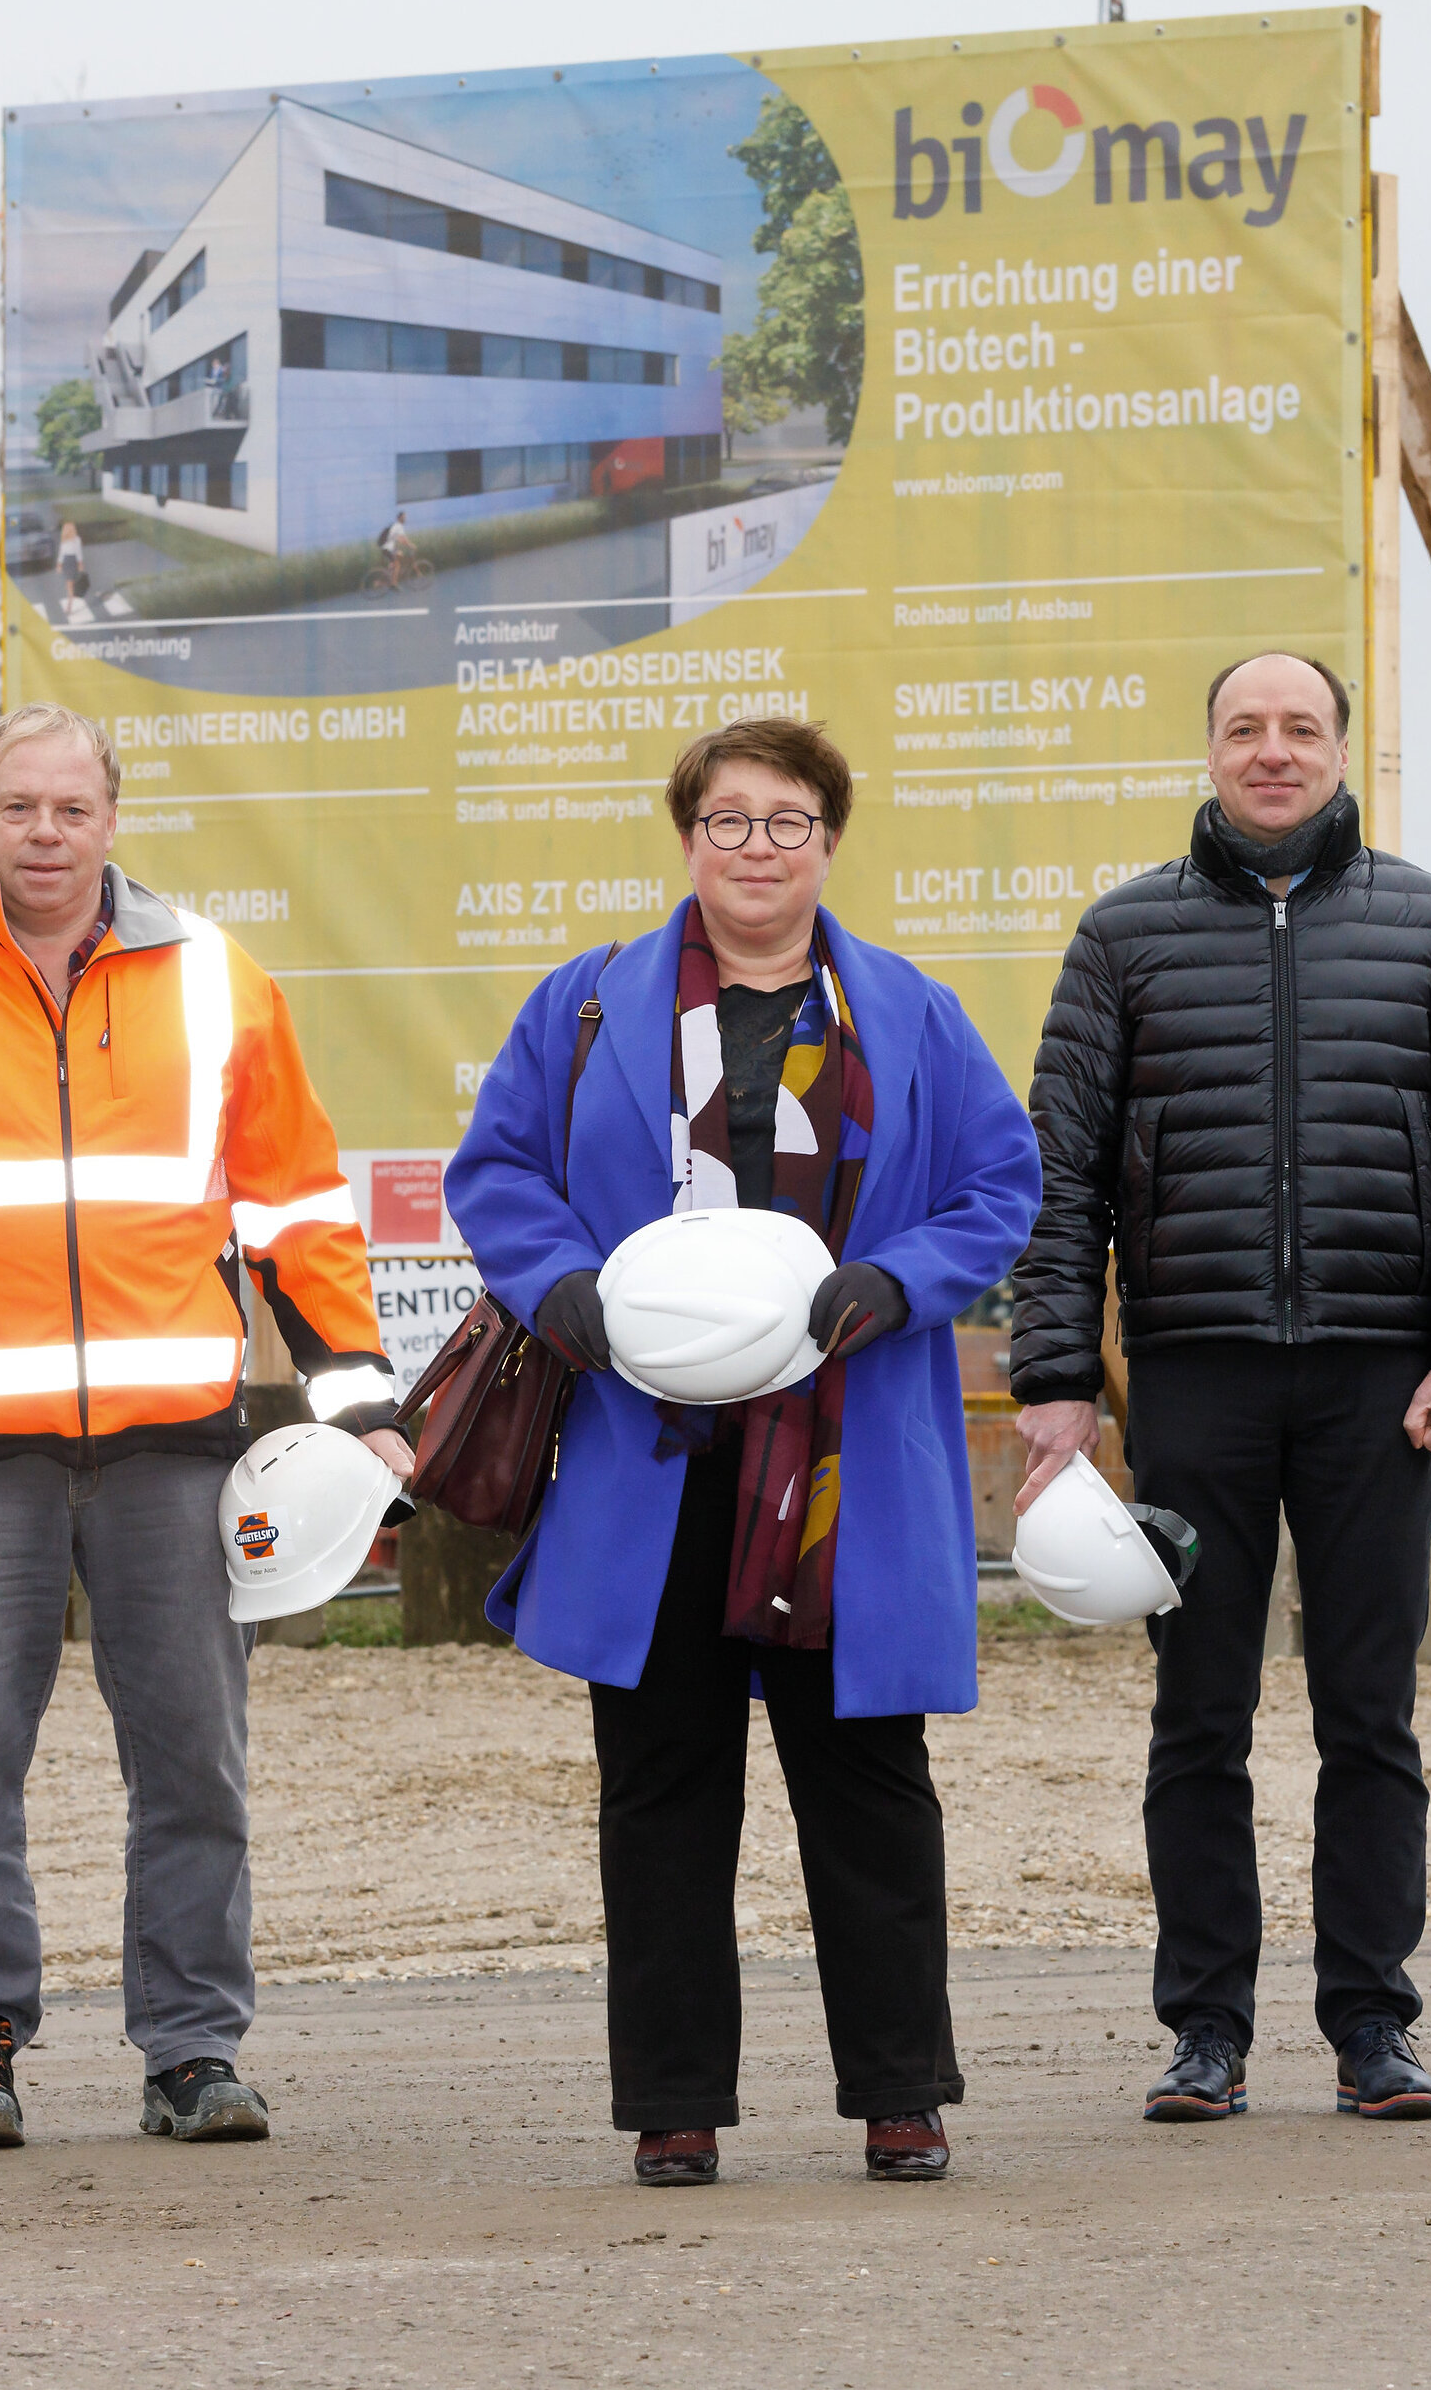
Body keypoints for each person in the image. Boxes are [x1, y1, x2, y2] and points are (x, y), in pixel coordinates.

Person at [0, 701, 410, 2153]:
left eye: (71, 809)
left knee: (193, 1757)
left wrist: (359, 1404)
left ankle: (191, 2048)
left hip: (172, 1441)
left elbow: (300, 1207)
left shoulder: (214, 977)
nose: (45, 835)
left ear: (111, 820)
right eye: (19, 808)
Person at [444, 716, 1039, 2190]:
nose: (756, 847)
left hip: (846, 1458)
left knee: (867, 1784)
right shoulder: (588, 1007)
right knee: (662, 1787)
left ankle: (902, 2093)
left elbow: (996, 1182)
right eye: (728, 820)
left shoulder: (909, 1012)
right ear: (687, 837)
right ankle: (674, 2105)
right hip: (657, 1455)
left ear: (829, 840)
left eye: (786, 821)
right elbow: (499, 1169)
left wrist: (899, 1282)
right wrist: (558, 1284)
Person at [1011, 651, 1431, 2129]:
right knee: (1198, 1717)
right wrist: (1059, 1379)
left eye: (1301, 728)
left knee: (1372, 1717)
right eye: (1247, 728)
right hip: (1193, 1378)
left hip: (1379, 1383)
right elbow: (1064, 1178)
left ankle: (1373, 2025)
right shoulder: (1125, 936)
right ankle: (1206, 2031)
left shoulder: (1429, 928)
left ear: (1342, 749)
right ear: (1211, 750)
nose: (1273, 751)